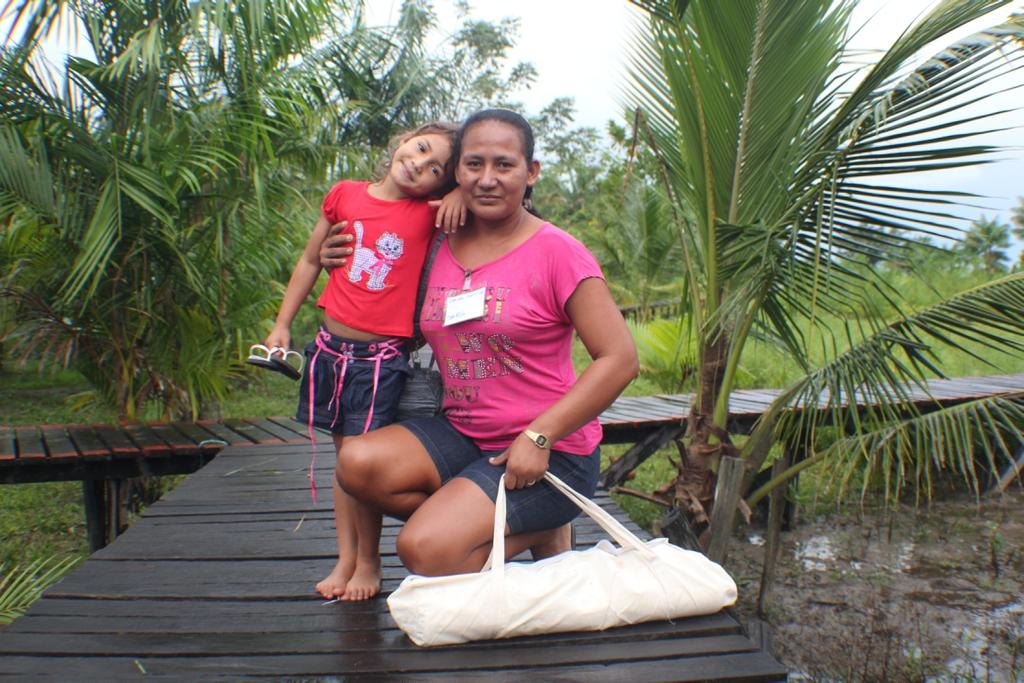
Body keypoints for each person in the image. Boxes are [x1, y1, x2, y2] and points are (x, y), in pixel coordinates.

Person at [322, 109, 639, 577]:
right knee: (358, 463)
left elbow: (621, 359)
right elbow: (375, 249)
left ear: (531, 173)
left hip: (549, 452)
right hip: (464, 434)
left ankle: (531, 523)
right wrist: (334, 256)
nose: (487, 179)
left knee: (425, 550)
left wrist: (540, 433)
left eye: (504, 165)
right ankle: (482, 516)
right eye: (473, 165)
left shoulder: (557, 252)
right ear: (456, 174)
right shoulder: (438, 240)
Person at [263, 120, 462, 601]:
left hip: (378, 359)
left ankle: (369, 561)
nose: (418, 164)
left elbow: (482, 204)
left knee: (360, 463)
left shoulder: (428, 213)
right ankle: (345, 558)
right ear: (404, 139)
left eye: (436, 167)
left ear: (442, 183)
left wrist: (456, 197)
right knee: (342, 461)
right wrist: (281, 324)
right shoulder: (344, 195)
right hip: (329, 348)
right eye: (420, 148)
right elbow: (311, 260)